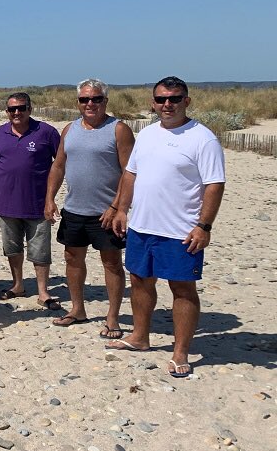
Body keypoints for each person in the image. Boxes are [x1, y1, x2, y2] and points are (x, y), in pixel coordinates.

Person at [108, 77, 225, 379]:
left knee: (182, 289)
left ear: (187, 100)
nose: (167, 105)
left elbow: (214, 185)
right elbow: (131, 174)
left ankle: (180, 351)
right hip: (143, 225)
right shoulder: (146, 135)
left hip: (181, 230)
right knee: (140, 281)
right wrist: (121, 209)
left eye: (174, 98)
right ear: (153, 102)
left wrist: (204, 225)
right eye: (161, 99)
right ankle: (140, 336)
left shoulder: (203, 138)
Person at [45, 79, 135, 336]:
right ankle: (77, 309)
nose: (90, 104)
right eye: (84, 99)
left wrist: (117, 207)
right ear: (78, 103)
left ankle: (113, 316)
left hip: (106, 211)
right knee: (72, 259)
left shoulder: (118, 129)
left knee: (111, 263)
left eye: (96, 99)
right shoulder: (70, 129)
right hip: (74, 209)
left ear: (105, 101)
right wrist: (50, 197)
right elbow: (58, 165)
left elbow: (131, 171)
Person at [0, 92, 61, 308]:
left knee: (40, 250)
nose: (16, 112)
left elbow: (60, 163)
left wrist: (51, 197)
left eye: (21, 108)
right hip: (7, 205)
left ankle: (43, 292)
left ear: (30, 108)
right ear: (7, 112)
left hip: (39, 204)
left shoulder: (46, 132)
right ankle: (17, 285)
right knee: (12, 248)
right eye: (12, 109)